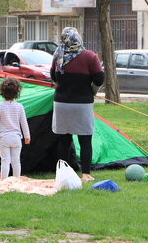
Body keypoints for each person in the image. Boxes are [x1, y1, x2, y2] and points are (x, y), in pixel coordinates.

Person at [50, 27, 104, 182]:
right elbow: (99, 79)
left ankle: (62, 174)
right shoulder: (89, 56)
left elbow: (54, 77)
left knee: (64, 140)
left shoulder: (58, 56)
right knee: (85, 139)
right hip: (82, 104)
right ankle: (86, 174)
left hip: (61, 104)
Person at [0, 77, 31, 180]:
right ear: (17, 92)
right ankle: (16, 181)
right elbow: (24, 123)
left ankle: (3, 181)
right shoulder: (19, 106)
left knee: (5, 161)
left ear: (2, 91)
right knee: (16, 160)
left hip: (3, 138)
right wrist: (27, 136)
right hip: (16, 138)